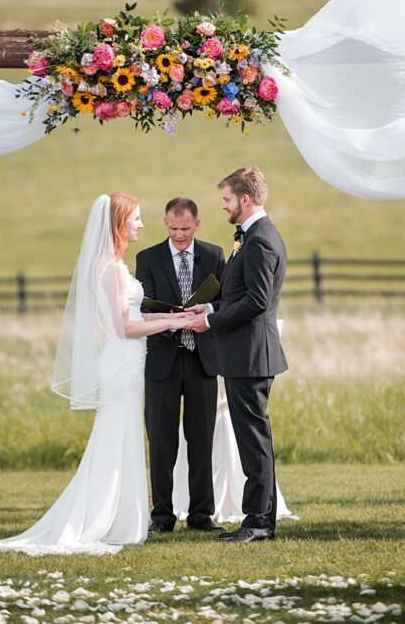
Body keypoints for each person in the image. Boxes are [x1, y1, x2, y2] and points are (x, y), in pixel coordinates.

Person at [0, 194, 191, 555]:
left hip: (127, 364)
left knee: (123, 437)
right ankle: (103, 519)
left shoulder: (111, 264)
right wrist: (170, 323)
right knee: (115, 437)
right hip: (122, 364)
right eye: (136, 219)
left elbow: (134, 318)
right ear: (118, 223)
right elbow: (123, 328)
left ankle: (120, 518)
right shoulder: (112, 269)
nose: (141, 226)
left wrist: (175, 318)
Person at [186, 167, 288, 543]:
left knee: (254, 441)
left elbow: (258, 301)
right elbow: (239, 295)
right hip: (246, 355)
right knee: (253, 438)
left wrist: (211, 324)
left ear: (245, 199)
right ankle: (259, 518)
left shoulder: (260, 240)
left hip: (250, 356)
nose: (223, 205)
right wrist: (209, 310)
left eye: (227, 199)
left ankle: (259, 523)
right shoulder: (254, 235)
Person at [135, 197, 225, 535]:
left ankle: (202, 515)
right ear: (165, 224)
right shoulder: (147, 258)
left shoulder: (215, 255)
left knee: (202, 441)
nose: (179, 235)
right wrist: (172, 317)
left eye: (185, 229)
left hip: (202, 360)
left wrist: (207, 310)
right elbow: (144, 304)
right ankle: (162, 516)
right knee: (161, 441)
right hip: (162, 361)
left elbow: (225, 298)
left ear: (197, 224)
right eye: (173, 228)